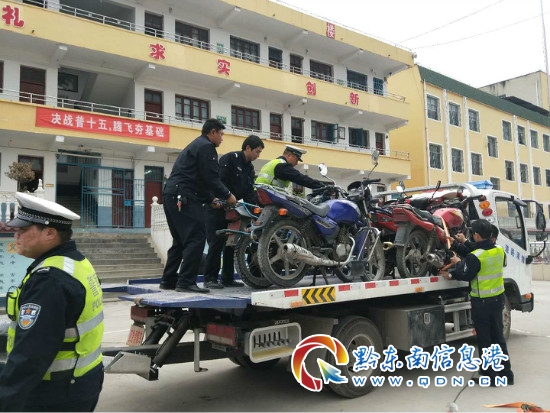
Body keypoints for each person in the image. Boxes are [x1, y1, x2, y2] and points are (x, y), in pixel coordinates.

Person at [0, 192, 104, 411]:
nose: (16, 235)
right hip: (81, 382)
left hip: (54, 393)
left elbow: (31, 355)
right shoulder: (75, 262)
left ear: (49, 233)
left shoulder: (49, 280)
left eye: (23, 230)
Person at [160, 118, 237, 294]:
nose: (222, 138)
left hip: (171, 194)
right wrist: (228, 195)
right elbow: (211, 178)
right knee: (196, 237)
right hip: (184, 196)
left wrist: (210, 199)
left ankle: (168, 280)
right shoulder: (206, 147)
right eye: (221, 134)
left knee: (180, 240)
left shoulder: (196, 145)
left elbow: (199, 179)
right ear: (213, 132)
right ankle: (186, 282)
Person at [440, 219, 513, 386]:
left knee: (485, 340)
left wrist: (453, 270)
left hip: (482, 302)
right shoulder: (499, 250)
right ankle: (506, 374)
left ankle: (489, 376)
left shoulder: (476, 257)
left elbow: (466, 274)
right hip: (498, 300)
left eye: (473, 234)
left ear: (477, 235)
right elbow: (477, 250)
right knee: (498, 338)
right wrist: (459, 244)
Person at [203, 135, 265, 289]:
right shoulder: (230, 158)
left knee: (231, 244)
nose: (258, 155)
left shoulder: (249, 168)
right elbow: (218, 181)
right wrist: (224, 197)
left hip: (233, 210)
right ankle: (210, 278)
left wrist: (256, 211)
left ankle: (227, 278)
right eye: (257, 151)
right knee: (216, 243)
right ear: (248, 148)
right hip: (217, 207)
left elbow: (249, 191)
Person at [255, 144, 325, 190]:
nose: (296, 163)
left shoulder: (272, 163)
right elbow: (299, 178)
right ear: (289, 155)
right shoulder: (282, 166)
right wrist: (321, 186)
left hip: (259, 195)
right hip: (267, 198)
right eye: (296, 160)